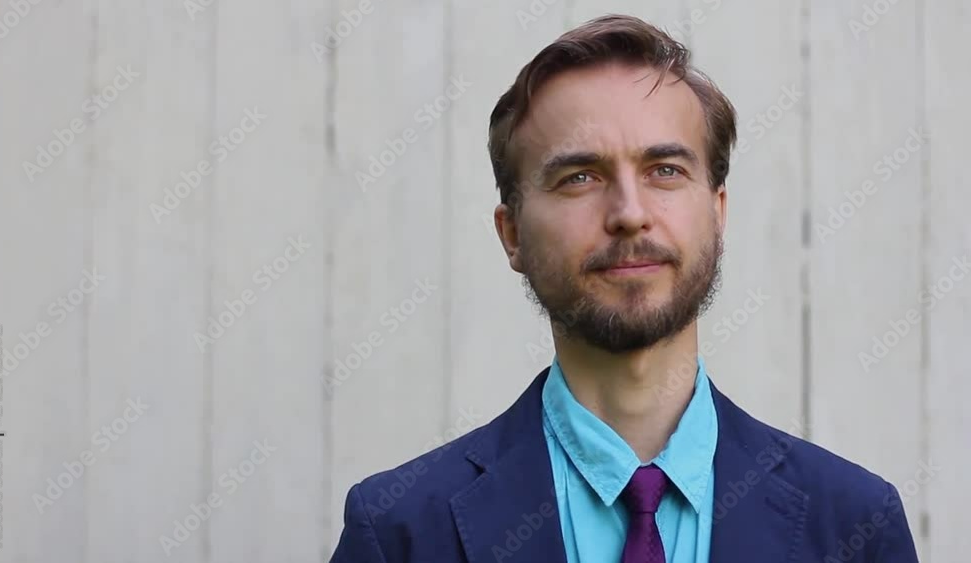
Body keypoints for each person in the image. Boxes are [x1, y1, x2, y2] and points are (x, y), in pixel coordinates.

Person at [330, 13, 919, 563]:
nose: (630, 214)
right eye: (580, 177)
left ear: (717, 213)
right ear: (512, 235)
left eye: (665, 170)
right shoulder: (398, 532)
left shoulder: (856, 525)